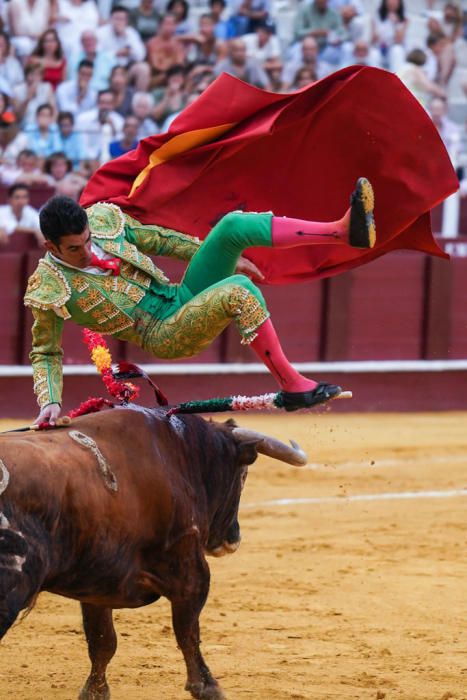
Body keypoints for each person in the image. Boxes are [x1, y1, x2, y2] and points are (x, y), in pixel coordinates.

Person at [25, 178, 377, 423]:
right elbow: (45, 352)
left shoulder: (103, 221)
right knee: (238, 290)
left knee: (232, 226)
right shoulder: (50, 287)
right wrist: (51, 402)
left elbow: (161, 241)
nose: (87, 251)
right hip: (163, 332)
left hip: (180, 296)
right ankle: (292, 384)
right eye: (74, 249)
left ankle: (343, 231)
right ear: (51, 247)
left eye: (87, 241)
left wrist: (224, 255)